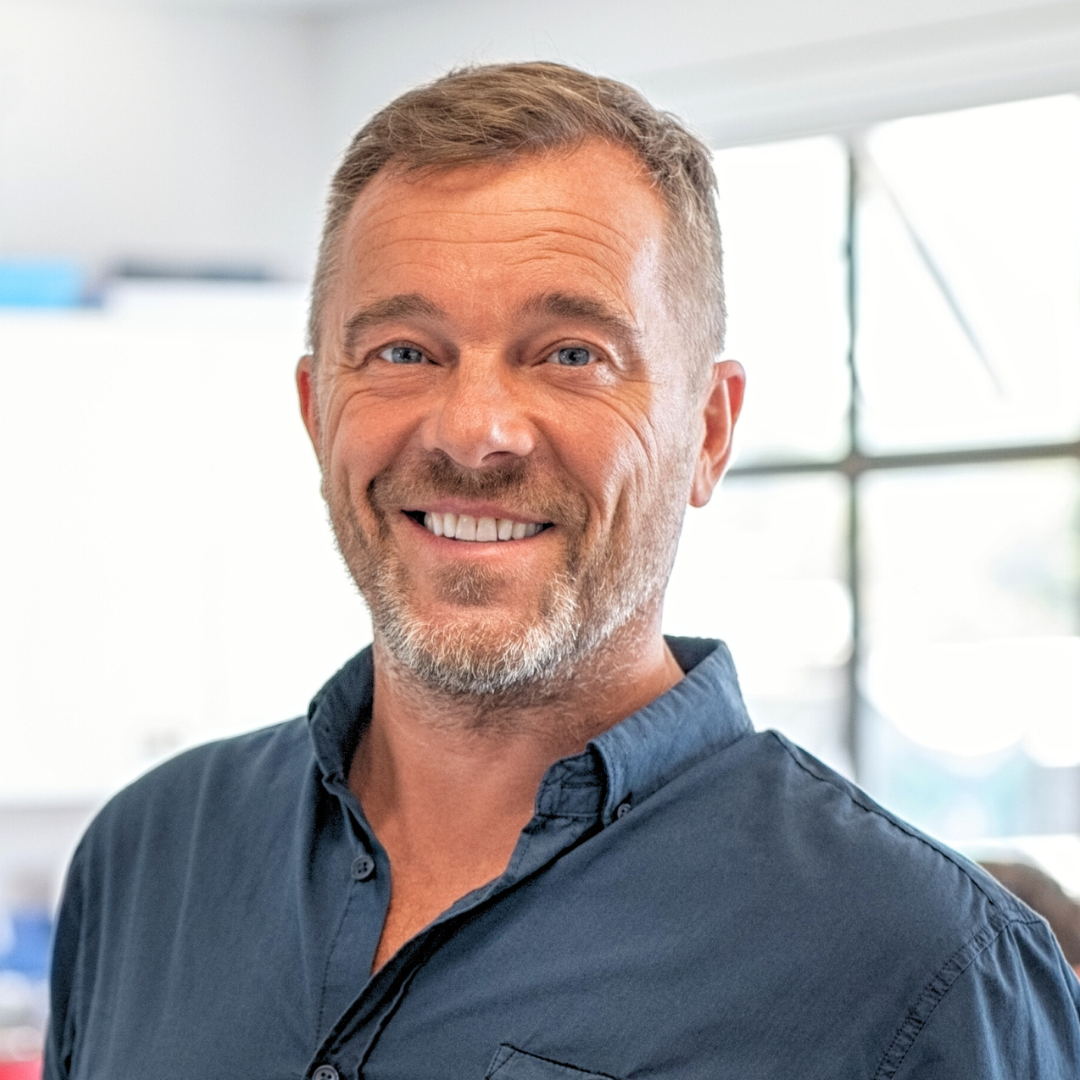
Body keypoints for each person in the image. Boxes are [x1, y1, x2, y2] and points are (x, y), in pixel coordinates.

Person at [45, 62, 1080, 1080]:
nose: (474, 432)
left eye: (572, 354)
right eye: (404, 352)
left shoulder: (927, 969)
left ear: (709, 432)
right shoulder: (149, 858)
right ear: (317, 412)